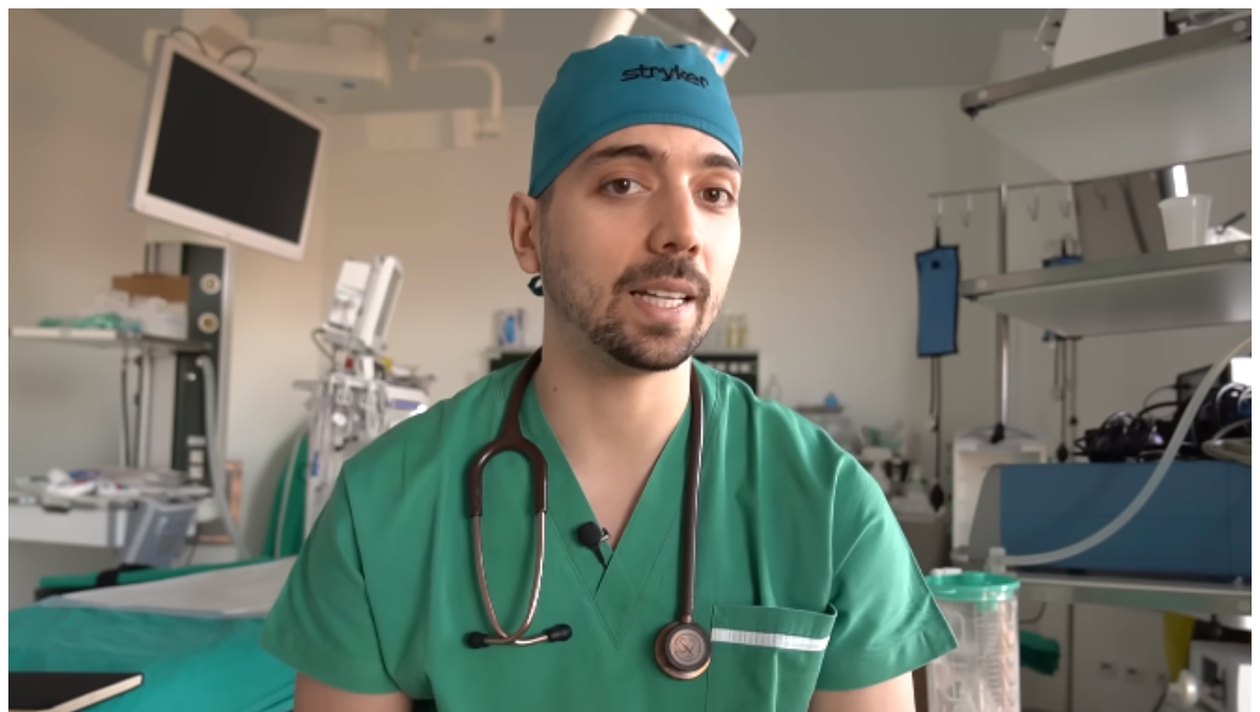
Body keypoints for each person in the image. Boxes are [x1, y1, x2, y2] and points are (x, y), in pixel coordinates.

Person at [259, 35, 957, 711]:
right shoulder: (384, 507)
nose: (683, 231)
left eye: (715, 193)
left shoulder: (830, 505)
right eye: (623, 184)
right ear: (528, 232)